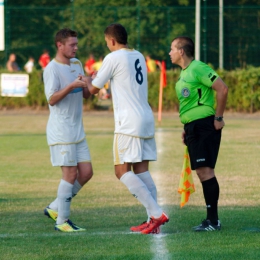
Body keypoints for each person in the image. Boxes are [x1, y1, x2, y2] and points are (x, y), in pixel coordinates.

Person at [82, 23, 169, 235]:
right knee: (142, 171)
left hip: (127, 122)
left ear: (111, 41)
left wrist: (86, 79)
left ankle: (156, 213)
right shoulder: (138, 55)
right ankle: (152, 221)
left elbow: (93, 90)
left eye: (106, 42)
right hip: (145, 117)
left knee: (121, 171)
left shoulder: (112, 58)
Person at [169, 36, 228, 231]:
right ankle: (211, 220)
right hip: (193, 128)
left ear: (181, 52)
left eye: (172, 49)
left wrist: (218, 118)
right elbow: (190, 103)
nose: (169, 53)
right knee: (202, 172)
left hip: (204, 126)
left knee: (206, 171)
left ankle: (213, 220)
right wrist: (186, 127)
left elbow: (222, 88)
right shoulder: (184, 73)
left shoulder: (198, 68)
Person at [43, 28, 93, 232]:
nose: (76, 47)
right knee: (71, 173)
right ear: (59, 45)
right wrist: (72, 85)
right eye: (72, 44)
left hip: (77, 131)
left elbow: (86, 95)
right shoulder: (51, 69)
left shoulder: (77, 63)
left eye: (76, 44)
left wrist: (89, 81)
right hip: (61, 131)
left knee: (87, 172)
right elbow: (52, 99)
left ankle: (55, 207)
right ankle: (61, 222)